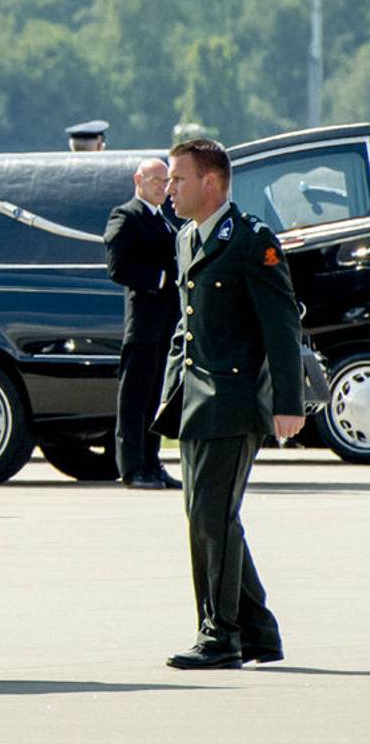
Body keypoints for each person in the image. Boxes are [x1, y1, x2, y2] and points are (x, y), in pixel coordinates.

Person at [156, 138, 303, 670]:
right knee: (209, 517)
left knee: (211, 519)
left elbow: (282, 326)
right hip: (196, 400)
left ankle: (220, 636)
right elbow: (188, 323)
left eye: (178, 179)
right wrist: (173, 386)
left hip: (235, 400)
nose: (169, 190)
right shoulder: (187, 237)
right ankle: (258, 631)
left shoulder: (250, 240)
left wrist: (289, 401)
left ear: (211, 182)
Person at [104, 158, 183, 490]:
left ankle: (152, 462)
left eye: (167, 181)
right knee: (134, 399)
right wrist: (161, 279)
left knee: (155, 398)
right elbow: (118, 267)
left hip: (165, 322)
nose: (163, 187)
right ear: (139, 179)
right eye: (157, 180)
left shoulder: (163, 219)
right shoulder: (126, 216)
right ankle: (132, 467)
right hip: (143, 322)